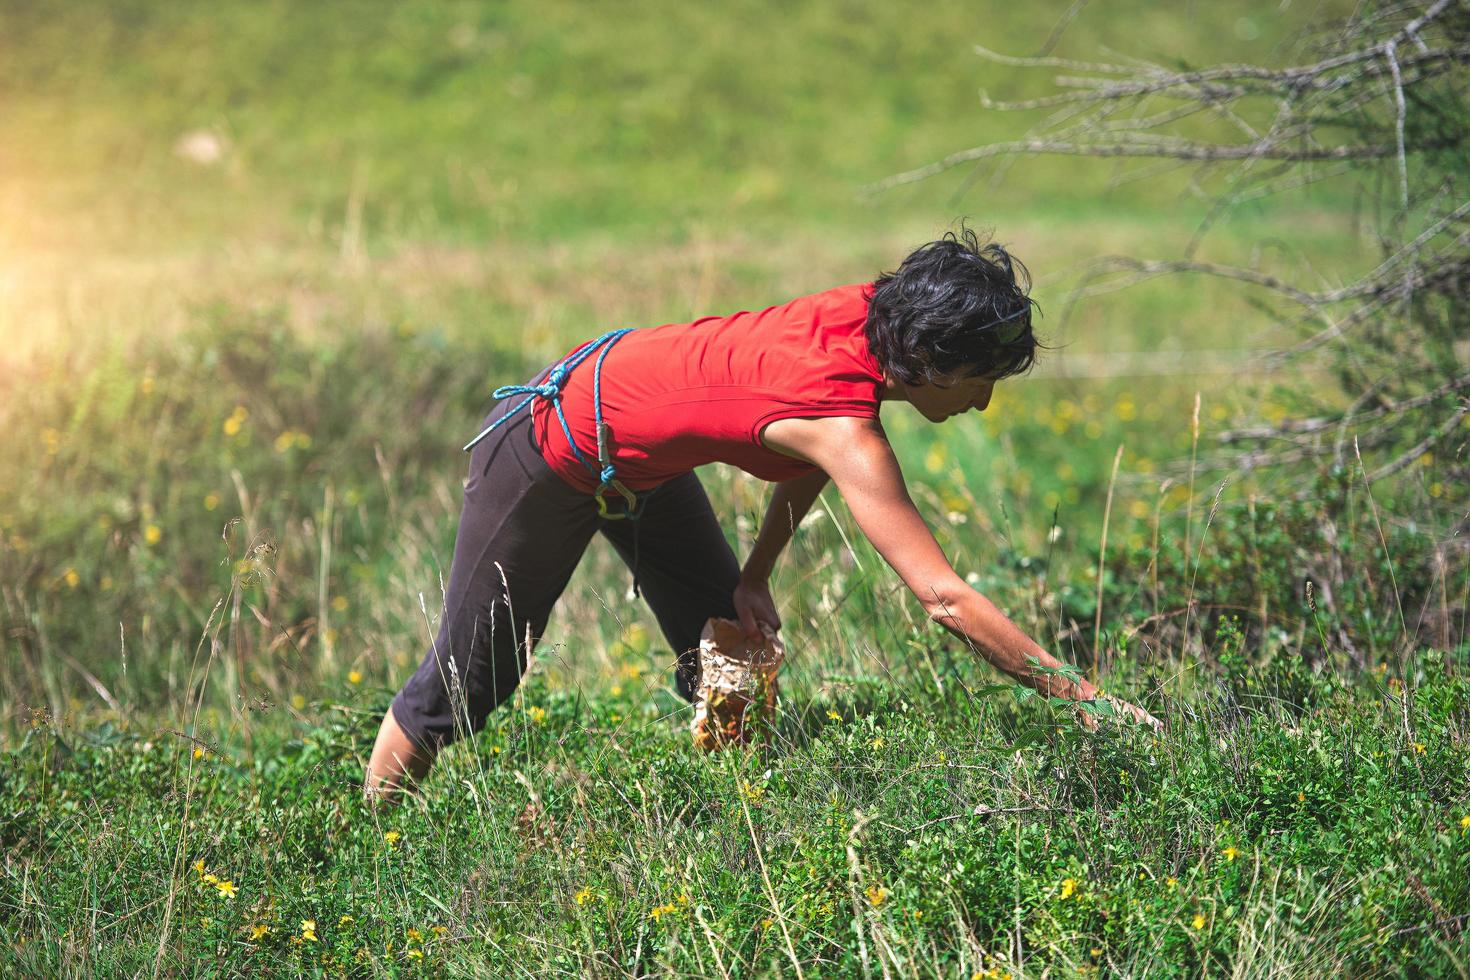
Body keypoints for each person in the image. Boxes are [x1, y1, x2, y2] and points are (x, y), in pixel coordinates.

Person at [365, 228, 1160, 800]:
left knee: (733, 652)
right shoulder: (846, 426)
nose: (983, 402)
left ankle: (735, 828)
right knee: (471, 683)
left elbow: (807, 442)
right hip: (545, 449)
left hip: (642, 460)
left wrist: (756, 574)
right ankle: (373, 843)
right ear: (929, 361)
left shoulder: (876, 315)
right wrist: (1086, 702)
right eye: (980, 379)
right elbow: (943, 597)